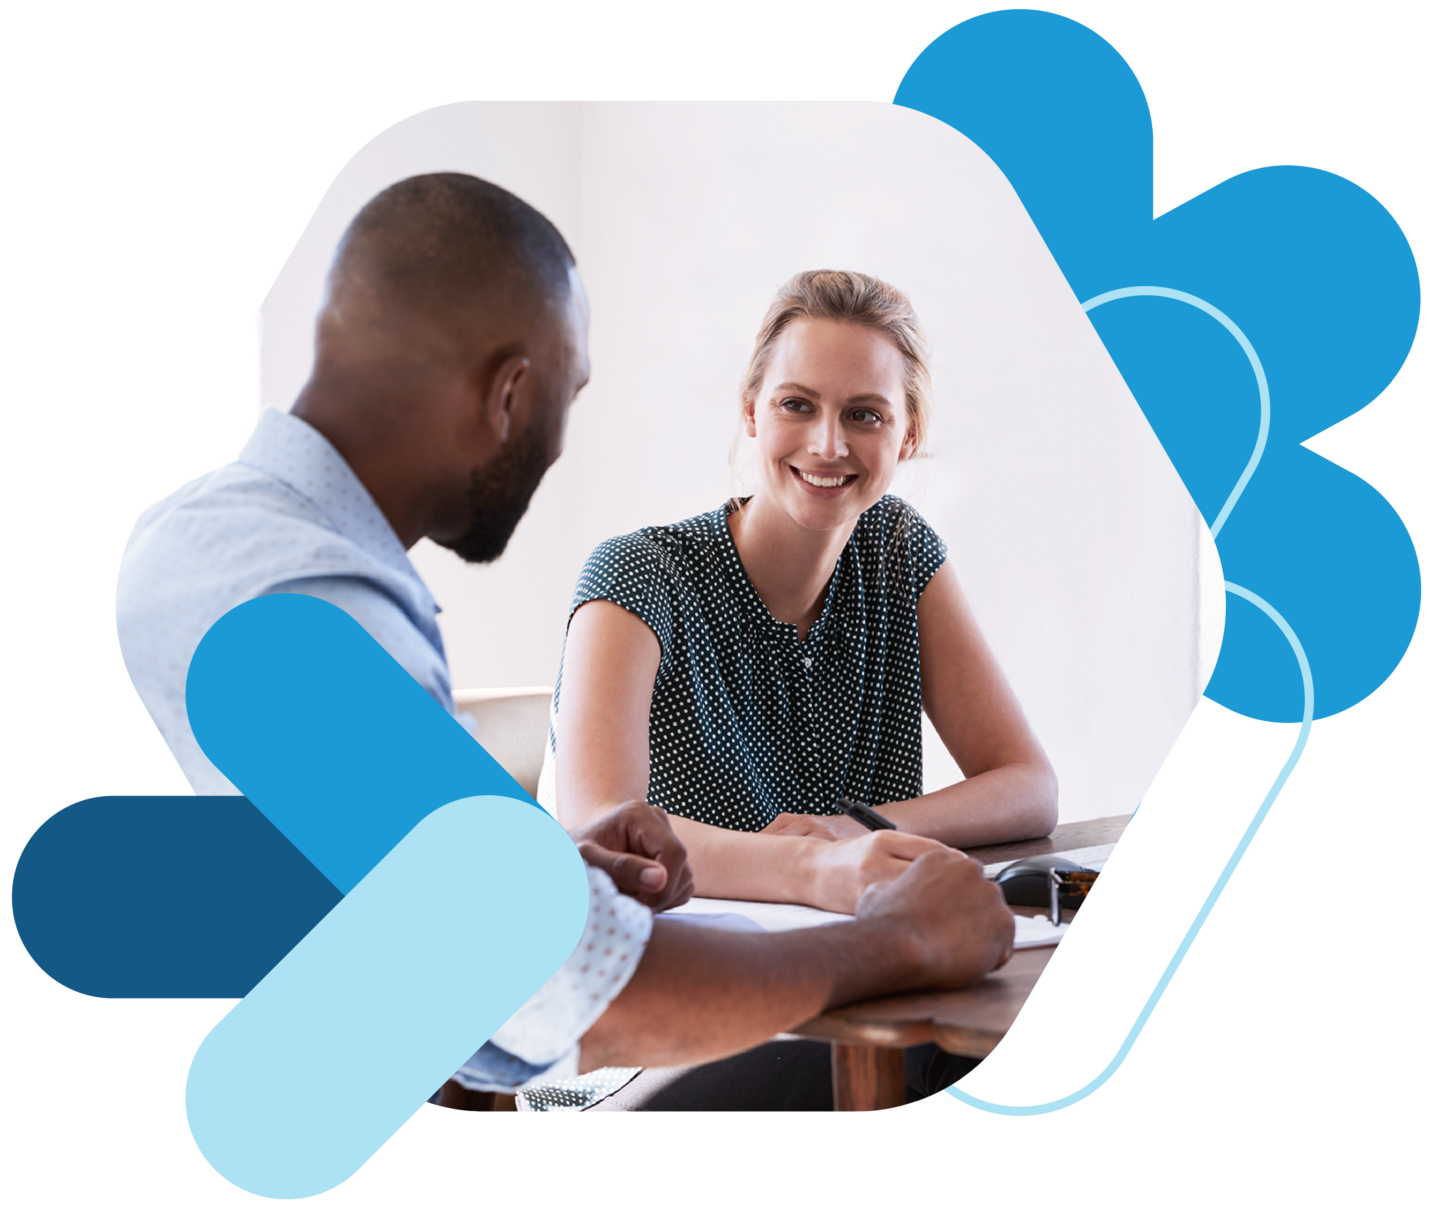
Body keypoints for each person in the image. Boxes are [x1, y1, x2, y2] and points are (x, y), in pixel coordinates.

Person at [115, 174, 1016, 1110]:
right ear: (509, 392)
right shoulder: (300, 603)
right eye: (566, 398)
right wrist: (896, 939)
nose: (553, 453)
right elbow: (550, 988)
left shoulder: (234, 545)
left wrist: (547, 873)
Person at [545, 269, 1060, 918]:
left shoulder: (899, 548)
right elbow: (601, 832)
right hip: (683, 972)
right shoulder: (636, 575)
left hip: (860, 956)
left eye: (864, 414)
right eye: (797, 404)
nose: (828, 444)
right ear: (751, 411)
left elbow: (1029, 786)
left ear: (907, 435)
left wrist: (863, 829)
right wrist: (815, 865)